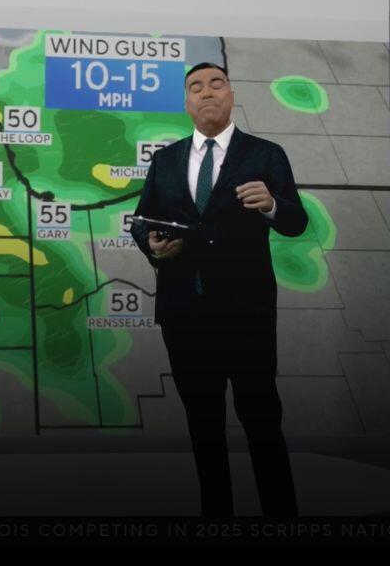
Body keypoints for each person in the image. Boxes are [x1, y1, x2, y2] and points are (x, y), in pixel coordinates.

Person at [129, 61, 309, 517]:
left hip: (246, 313)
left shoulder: (266, 154)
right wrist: (152, 246)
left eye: (216, 84)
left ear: (231, 95)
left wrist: (272, 205)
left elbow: (296, 221)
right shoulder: (165, 160)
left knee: (262, 420)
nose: (207, 92)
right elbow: (141, 220)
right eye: (196, 87)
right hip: (184, 314)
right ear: (187, 102)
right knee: (203, 425)